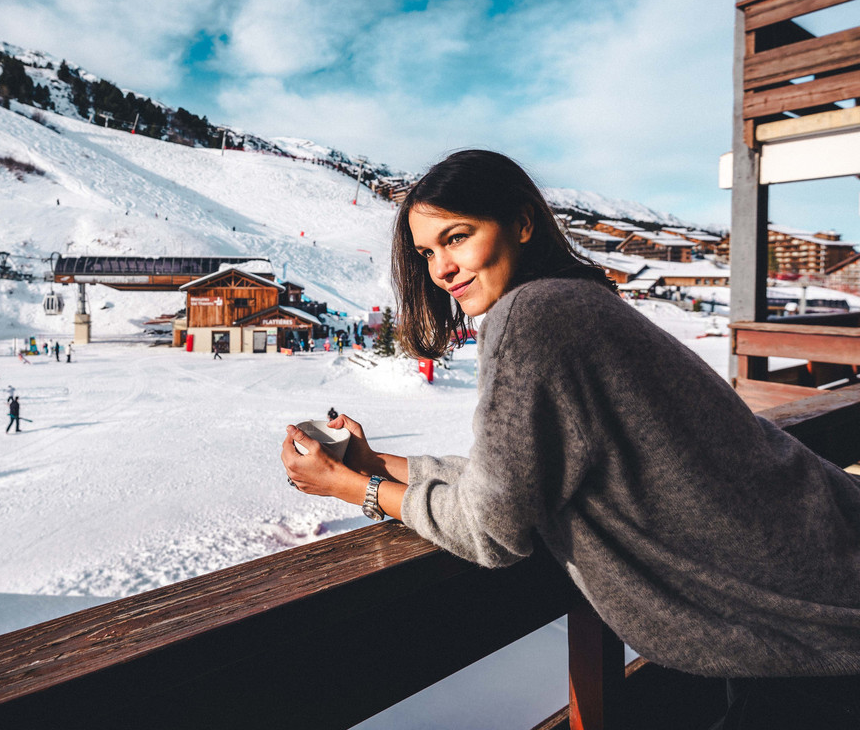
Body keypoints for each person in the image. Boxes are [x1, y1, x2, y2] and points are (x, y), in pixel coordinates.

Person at [281, 149, 860, 728]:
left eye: (457, 238)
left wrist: (350, 487)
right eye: (427, 252)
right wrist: (378, 464)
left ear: (522, 223)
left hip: (815, 639)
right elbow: (519, 479)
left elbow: (491, 529)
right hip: (811, 602)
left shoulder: (530, 317)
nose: (440, 270)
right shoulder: (576, 302)